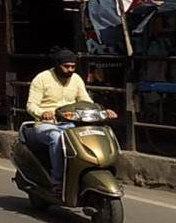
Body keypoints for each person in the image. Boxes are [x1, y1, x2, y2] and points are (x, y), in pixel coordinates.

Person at [25, 47, 115, 191]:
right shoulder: (41, 78)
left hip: (72, 124)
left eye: (73, 66)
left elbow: (86, 101)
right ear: (57, 65)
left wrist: (103, 111)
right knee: (57, 137)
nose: (70, 70)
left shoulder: (76, 79)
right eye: (66, 66)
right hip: (47, 125)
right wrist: (43, 113)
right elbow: (31, 105)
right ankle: (57, 181)